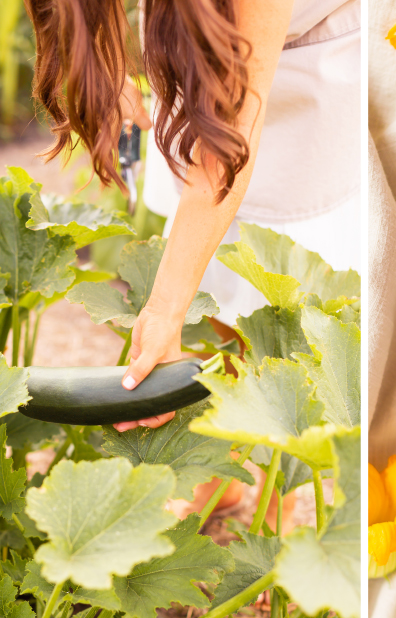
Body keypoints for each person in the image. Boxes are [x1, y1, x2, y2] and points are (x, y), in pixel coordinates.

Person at [24, 0, 361, 432]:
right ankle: (222, 454)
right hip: (197, 32)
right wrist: (102, 57)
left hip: (307, 55)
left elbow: (226, 144)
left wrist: (165, 311)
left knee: (276, 292)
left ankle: (276, 479)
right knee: (213, 272)